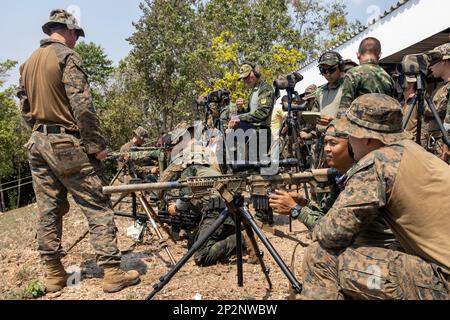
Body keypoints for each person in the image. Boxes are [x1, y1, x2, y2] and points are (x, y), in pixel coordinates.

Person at [17, 9, 140, 293]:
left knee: (48, 210)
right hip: (65, 143)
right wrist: (96, 146)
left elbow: (25, 110)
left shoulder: (27, 64)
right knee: (97, 203)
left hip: (37, 144)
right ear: (69, 29)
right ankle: (111, 272)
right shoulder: (66, 57)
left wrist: (41, 133)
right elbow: (82, 107)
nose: (77, 41)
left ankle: (53, 275)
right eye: (76, 35)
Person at [300, 93, 450, 300]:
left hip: (442, 283)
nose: (350, 142)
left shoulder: (379, 162)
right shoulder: (415, 151)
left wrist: (302, 213)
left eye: (351, 135)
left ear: (367, 138)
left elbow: (331, 234)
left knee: (319, 256)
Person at [269, 121, 396, 248]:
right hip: (365, 242)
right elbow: (327, 216)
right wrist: (304, 203)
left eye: (333, 143)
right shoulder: (340, 176)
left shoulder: (362, 178)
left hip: (383, 248)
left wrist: (295, 209)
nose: (327, 149)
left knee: (317, 252)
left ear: (351, 145)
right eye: (325, 143)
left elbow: (332, 232)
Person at [162, 123, 244, 266]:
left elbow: (184, 200)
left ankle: (239, 239)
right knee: (192, 243)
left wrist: (175, 208)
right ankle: (230, 233)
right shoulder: (208, 169)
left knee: (201, 256)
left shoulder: (191, 171)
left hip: (217, 213)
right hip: (226, 211)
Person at [228, 61, 275, 225]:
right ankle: (261, 211)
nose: (246, 81)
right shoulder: (253, 92)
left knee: (258, 175)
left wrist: (239, 117)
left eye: (248, 77)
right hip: (251, 134)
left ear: (255, 73)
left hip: (261, 133)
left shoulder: (266, 89)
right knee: (253, 171)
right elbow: (250, 114)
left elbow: (261, 114)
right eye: (244, 79)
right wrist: (241, 111)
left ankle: (264, 214)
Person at [338, 37, 394, 118]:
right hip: (381, 128)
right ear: (379, 55)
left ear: (358, 55)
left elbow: (343, 109)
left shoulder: (353, 74)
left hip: (358, 127)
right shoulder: (388, 77)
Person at [429, 43, 450, 163]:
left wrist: (445, 149)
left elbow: (449, 121)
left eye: (433, 62)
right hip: (436, 144)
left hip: (444, 148)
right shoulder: (440, 88)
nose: (430, 67)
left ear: (444, 61)